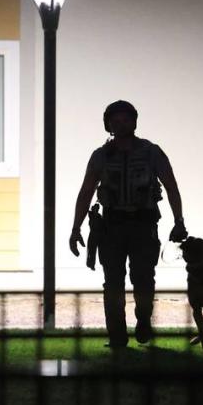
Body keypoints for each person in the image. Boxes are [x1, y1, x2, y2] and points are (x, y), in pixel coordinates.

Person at [69, 100, 187, 348]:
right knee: (113, 282)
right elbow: (86, 192)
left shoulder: (152, 152)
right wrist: (75, 228)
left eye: (126, 119)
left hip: (144, 226)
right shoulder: (100, 156)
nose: (121, 124)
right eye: (116, 120)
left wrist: (179, 220)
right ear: (108, 124)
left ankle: (143, 319)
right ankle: (117, 337)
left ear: (134, 122)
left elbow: (171, 186)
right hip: (112, 227)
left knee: (143, 279)